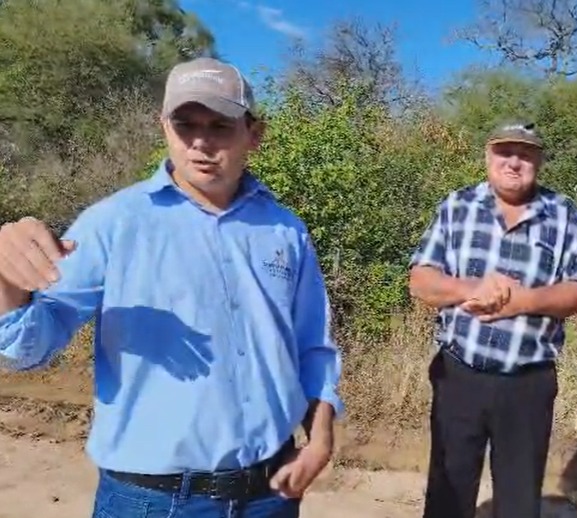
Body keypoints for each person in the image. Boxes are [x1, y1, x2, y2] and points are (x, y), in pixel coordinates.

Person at [0, 57, 343, 517]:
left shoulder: (286, 231)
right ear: (164, 127)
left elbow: (313, 346)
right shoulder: (112, 224)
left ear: (254, 134)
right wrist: (7, 281)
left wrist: (320, 439)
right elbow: (25, 351)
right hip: (153, 502)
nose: (201, 142)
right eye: (185, 125)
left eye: (220, 126)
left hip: (270, 494)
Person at [408, 121, 577, 518]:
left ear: (539, 162)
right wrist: (472, 288)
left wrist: (522, 301)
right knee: (447, 494)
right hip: (458, 375)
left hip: (528, 383)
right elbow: (421, 281)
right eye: (504, 152)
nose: (514, 162)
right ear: (488, 156)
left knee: (518, 503)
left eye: (525, 154)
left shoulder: (566, 216)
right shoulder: (456, 206)